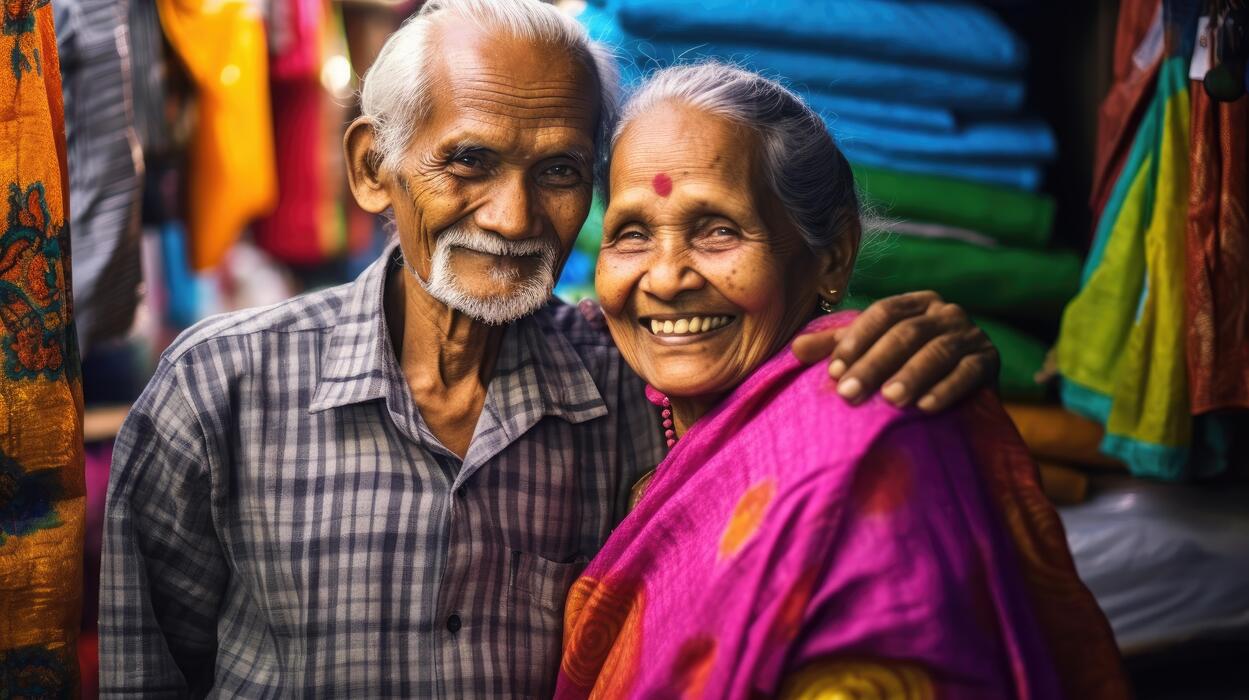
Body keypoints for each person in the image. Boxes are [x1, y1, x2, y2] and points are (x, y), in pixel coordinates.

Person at [100, 1, 1001, 696]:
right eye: (469, 162)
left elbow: (788, 419)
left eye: (561, 172)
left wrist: (927, 343)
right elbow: (147, 674)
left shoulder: (643, 392)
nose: (514, 218)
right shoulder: (220, 386)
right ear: (374, 168)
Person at [556, 64, 1129, 699]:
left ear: (831, 257)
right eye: (631, 234)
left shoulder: (872, 417)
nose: (665, 280)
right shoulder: (597, 384)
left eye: (719, 230)